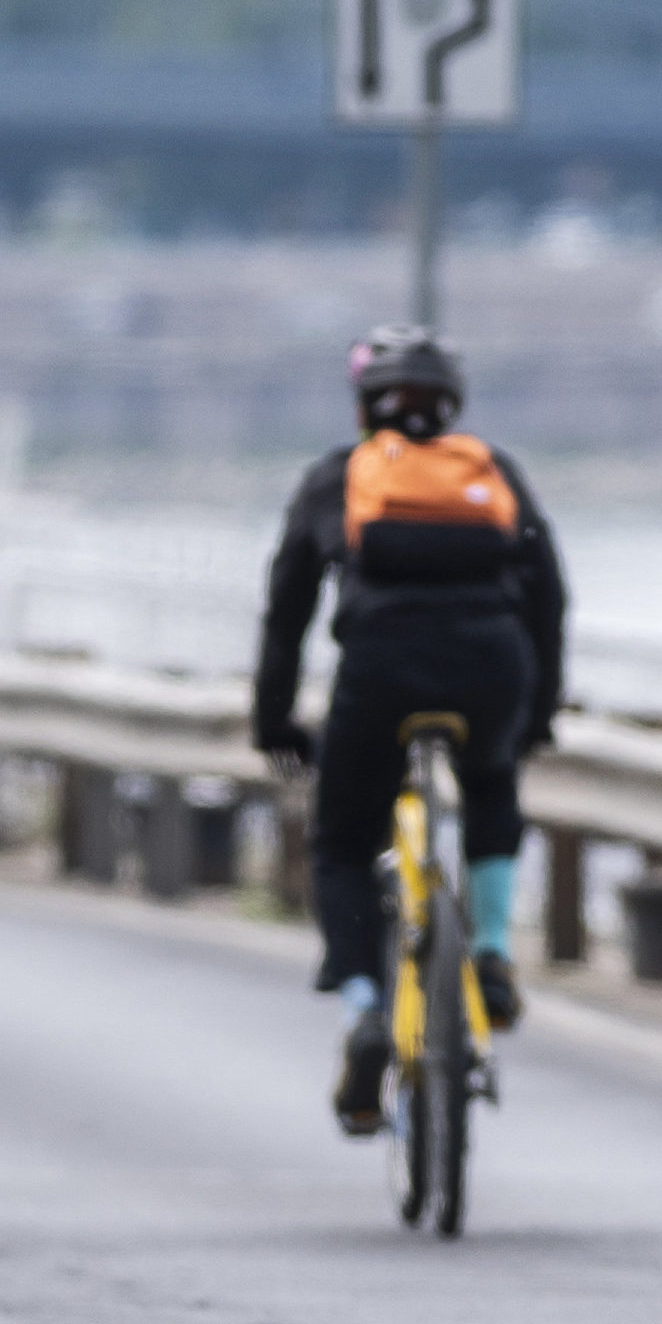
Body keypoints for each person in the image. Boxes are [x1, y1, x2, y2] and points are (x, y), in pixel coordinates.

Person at [253, 324, 568, 1137]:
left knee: (343, 839)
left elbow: (287, 610)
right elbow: (549, 595)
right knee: (493, 780)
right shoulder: (490, 472)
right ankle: (491, 952)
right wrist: (537, 710)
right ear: (453, 403)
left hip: (380, 675)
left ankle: (362, 1001)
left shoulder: (339, 477)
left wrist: (274, 718)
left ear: (364, 405)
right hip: (492, 667)